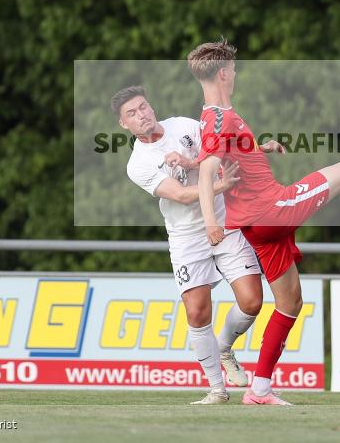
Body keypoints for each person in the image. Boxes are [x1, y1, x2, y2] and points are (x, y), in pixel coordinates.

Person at [187, 40, 340, 405]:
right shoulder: (219, 117)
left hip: (256, 224)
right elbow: (209, 171)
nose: (236, 74)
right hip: (272, 209)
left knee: (289, 303)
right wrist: (211, 222)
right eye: (235, 69)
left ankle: (259, 390)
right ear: (224, 73)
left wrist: (260, 148)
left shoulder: (217, 115)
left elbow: (225, 154)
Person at [112, 85, 264, 405]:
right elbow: (180, 196)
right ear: (124, 125)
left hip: (225, 223)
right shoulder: (137, 163)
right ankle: (216, 390)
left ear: (151, 106)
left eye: (143, 107)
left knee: (252, 302)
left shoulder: (185, 125)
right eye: (132, 114)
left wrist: (258, 146)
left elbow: (222, 149)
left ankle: (224, 347)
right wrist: (221, 185)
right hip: (185, 237)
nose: (141, 115)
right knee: (196, 312)